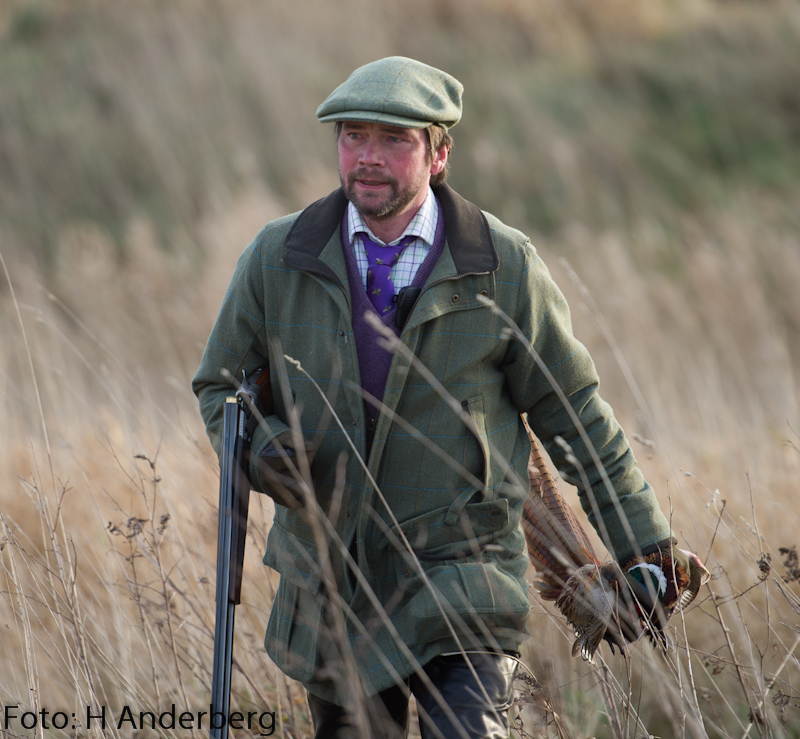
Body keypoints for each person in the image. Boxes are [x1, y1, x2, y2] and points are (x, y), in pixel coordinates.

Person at [193, 57, 705, 739]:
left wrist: (645, 544)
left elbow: (573, 413)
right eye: (353, 136)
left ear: (439, 154)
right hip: (333, 587)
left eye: (394, 140)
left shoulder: (502, 265)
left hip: (463, 580)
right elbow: (219, 385)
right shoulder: (278, 256)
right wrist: (261, 450)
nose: (368, 159)